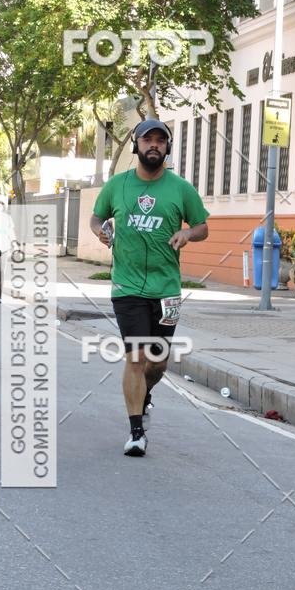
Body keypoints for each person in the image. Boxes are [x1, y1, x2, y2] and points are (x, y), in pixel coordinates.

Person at [90, 119, 209, 457]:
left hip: (167, 288)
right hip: (126, 286)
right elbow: (96, 218)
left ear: (167, 147)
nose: (153, 145)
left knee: (157, 362)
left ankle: (145, 394)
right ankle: (136, 430)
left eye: (160, 140)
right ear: (136, 146)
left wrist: (187, 233)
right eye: (147, 140)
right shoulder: (117, 186)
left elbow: (202, 226)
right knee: (137, 356)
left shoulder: (181, 188)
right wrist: (101, 230)